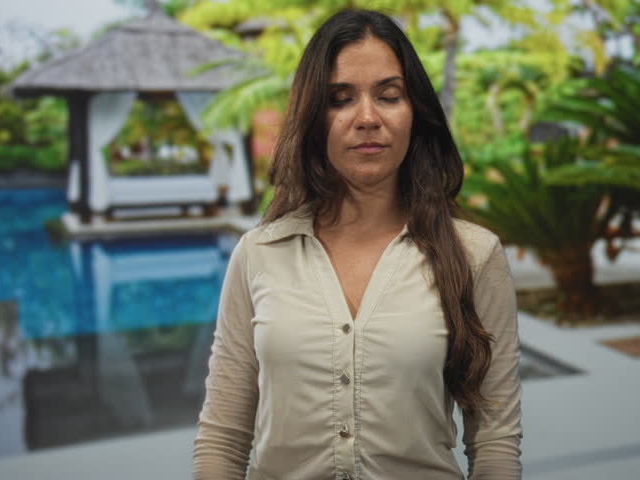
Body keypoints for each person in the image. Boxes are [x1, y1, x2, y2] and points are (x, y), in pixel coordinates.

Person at [193, 9, 522, 480]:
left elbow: (494, 442)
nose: (367, 118)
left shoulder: (474, 256)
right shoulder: (259, 254)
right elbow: (223, 437)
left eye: (389, 96)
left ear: (415, 113)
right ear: (313, 117)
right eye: (340, 99)